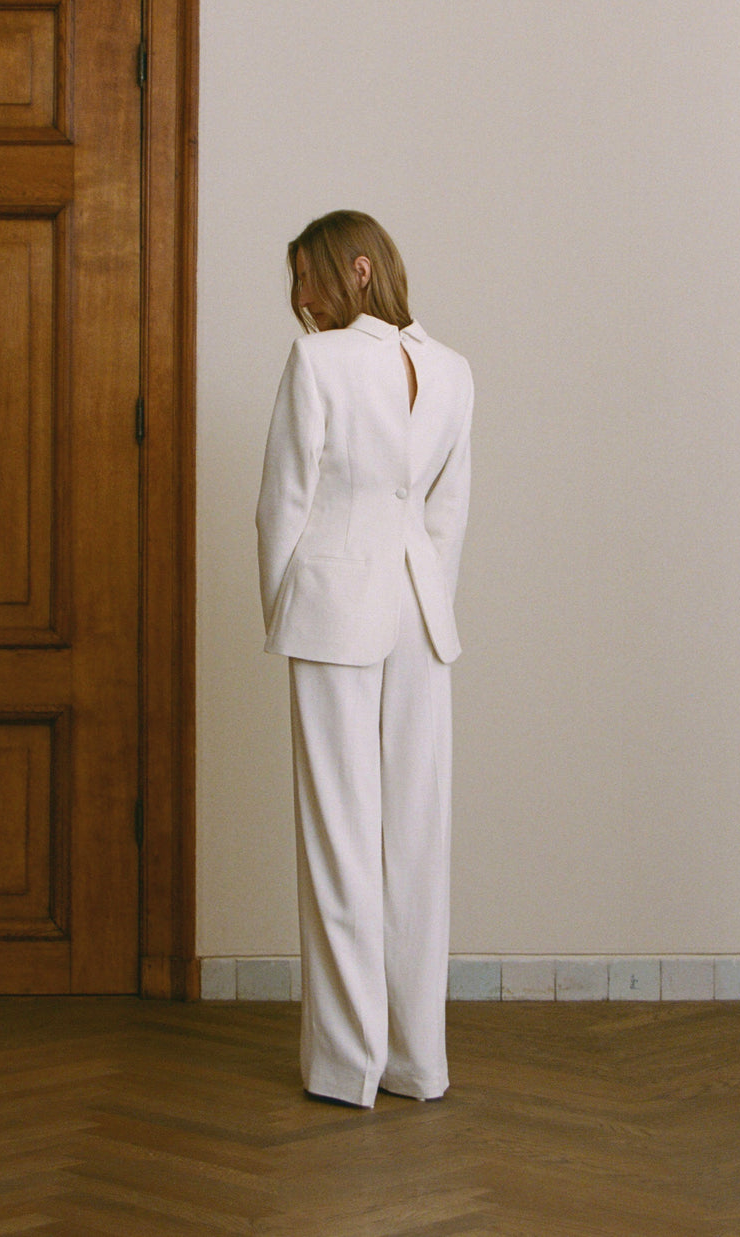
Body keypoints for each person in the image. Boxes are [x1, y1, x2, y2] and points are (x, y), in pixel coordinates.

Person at [256, 210, 473, 1108]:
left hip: (335, 612)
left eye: (307, 278)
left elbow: (282, 504)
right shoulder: (455, 370)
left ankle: (349, 1065)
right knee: (418, 838)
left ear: (354, 269)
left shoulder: (320, 362)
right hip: (424, 617)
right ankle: (420, 1061)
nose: (300, 301)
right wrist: (432, 600)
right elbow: (446, 515)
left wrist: (286, 604)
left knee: (342, 836)